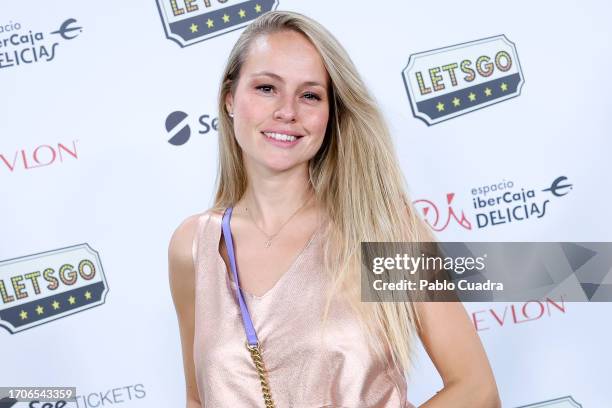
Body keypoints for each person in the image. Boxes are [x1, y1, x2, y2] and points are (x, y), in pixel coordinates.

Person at [168, 10, 500, 408]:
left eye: (309, 95)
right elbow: (198, 399)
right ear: (230, 100)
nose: (287, 111)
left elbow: (477, 390)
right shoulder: (193, 245)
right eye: (266, 88)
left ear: (331, 113)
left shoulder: (380, 227)